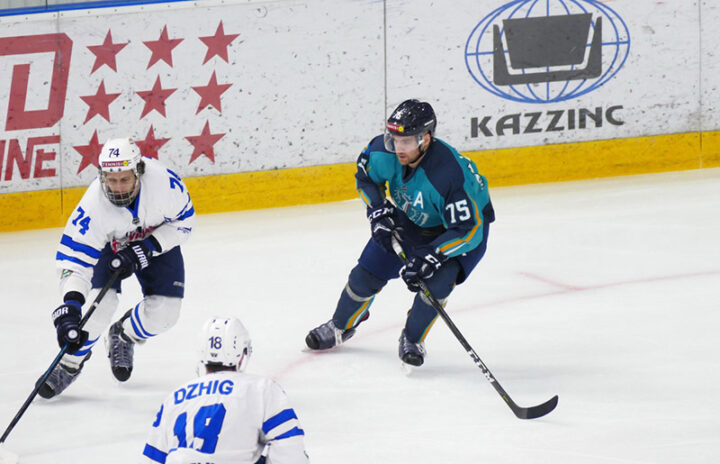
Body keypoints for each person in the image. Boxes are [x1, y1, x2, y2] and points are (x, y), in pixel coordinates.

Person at [305, 99, 495, 366]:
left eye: (405, 141)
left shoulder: (450, 176)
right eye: (394, 139)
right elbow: (366, 179)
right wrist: (377, 210)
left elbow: (468, 230)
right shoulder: (382, 152)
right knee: (365, 275)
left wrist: (431, 256)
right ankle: (341, 325)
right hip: (412, 219)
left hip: (457, 234)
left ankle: (413, 338)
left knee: (435, 286)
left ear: (425, 139)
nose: (397, 147)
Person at [40, 137, 194, 398]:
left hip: (155, 240)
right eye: (111, 180)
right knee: (100, 306)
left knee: (165, 314)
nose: (118, 188)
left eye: (124, 179)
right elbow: (74, 262)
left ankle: (124, 335)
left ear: (139, 171)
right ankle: (69, 363)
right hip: (108, 247)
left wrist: (147, 247)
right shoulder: (92, 207)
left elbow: (185, 223)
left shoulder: (165, 184)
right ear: (102, 176)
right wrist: (72, 304)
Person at [141, 317, 310, 464]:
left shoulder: (174, 398)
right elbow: (290, 453)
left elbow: (153, 459)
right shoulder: (261, 389)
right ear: (242, 354)